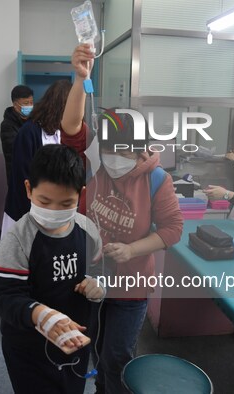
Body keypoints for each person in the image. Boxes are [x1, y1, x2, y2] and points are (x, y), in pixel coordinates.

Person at [0, 144, 103, 394]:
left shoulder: (88, 231)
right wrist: (43, 315)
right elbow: (6, 298)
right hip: (28, 349)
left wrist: (97, 286)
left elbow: (100, 270)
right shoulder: (17, 241)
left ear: (80, 195)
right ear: (29, 189)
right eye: (45, 201)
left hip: (74, 341)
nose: (54, 211)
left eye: (66, 203)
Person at [85, 111, 184, 394]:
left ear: (139, 148)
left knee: (117, 356)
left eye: (122, 150)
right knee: (94, 344)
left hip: (131, 282)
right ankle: (101, 388)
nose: (113, 157)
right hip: (92, 279)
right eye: (106, 149)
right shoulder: (94, 168)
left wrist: (131, 249)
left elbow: (173, 228)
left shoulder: (156, 179)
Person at [2, 44, 95, 235]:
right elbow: (22, 178)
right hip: (28, 212)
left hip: (58, 215)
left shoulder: (67, 133)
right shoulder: (30, 132)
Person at [0, 85, 34, 184]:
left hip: (33, 175)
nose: (29, 106)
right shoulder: (7, 125)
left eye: (31, 102)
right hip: (16, 175)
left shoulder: (33, 121)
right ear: (15, 105)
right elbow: (16, 149)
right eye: (26, 103)